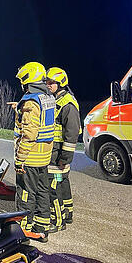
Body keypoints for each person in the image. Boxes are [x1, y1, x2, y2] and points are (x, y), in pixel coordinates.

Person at [13, 61, 56, 242]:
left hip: (30, 157)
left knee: (25, 193)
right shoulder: (47, 98)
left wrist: (19, 158)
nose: (22, 84)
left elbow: (29, 133)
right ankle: (41, 229)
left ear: (28, 79)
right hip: (43, 157)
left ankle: (23, 232)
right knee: (42, 192)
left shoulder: (31, 101)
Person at [45, 67, 81, 230]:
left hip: (58, 155)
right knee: (62, 183)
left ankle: (58, 222)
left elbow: (72, 134)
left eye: (52, 82)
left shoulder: (67, 103)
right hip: (56, 153)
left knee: (54, 187)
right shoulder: (56, 100)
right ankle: (68, 213)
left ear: (61, 83)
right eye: (47, 82)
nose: (48, 85)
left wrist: (64, 158)